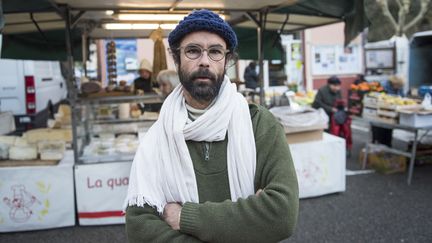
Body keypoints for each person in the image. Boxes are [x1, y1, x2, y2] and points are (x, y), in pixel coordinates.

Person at [125, 9, 298, 243]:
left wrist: (185, 216)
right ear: (176, 59)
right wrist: (247, 222)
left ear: (226, 61)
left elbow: (281, 215)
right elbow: (140, 228)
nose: (204, 61)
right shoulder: (157, 139)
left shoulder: (259, 126)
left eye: (215, 51)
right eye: (193, 51)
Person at [371, 75, 405, 146]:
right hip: (380, 112)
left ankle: (387, 146)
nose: (399, 88)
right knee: (379, 130)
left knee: (388, 129)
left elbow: (402, 96)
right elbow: (379, 98)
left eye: (400, 86)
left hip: (391, 113)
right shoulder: (383, 86)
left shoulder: (399, 87)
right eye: (398, 86)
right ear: (393, 84)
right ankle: (377, 145)